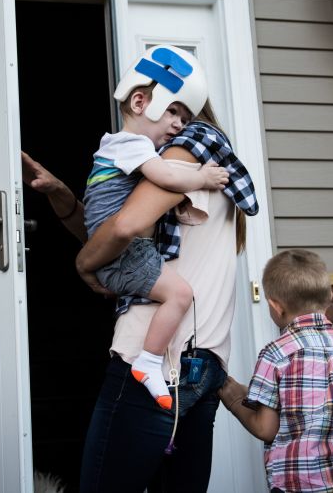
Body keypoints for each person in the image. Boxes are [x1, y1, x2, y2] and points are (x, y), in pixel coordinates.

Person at [22, 46, 259, 492]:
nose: (175, 123)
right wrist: (64, 198)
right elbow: (114, 233)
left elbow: (125, 227)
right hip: (202, 364)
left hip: (160, 358)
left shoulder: (185, 152)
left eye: (180, 114)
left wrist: (81, 264)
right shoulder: (199, 156)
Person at [83, 45, 229, 409]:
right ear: (139, 103)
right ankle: (149, 361)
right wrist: (202, 177)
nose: (180, 125)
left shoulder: (113, 147)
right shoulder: (133, 146)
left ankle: (149, 359)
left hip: (117, 256)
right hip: (125, 254)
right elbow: (164, 176)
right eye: (173, 111)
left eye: (185, 116)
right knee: (180, 296)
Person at [218, 249, 333, 493]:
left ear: (275, 306)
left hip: (302, 483)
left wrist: (234, 399)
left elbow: (266, 428)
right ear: (330, 297)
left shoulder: (276, 353)